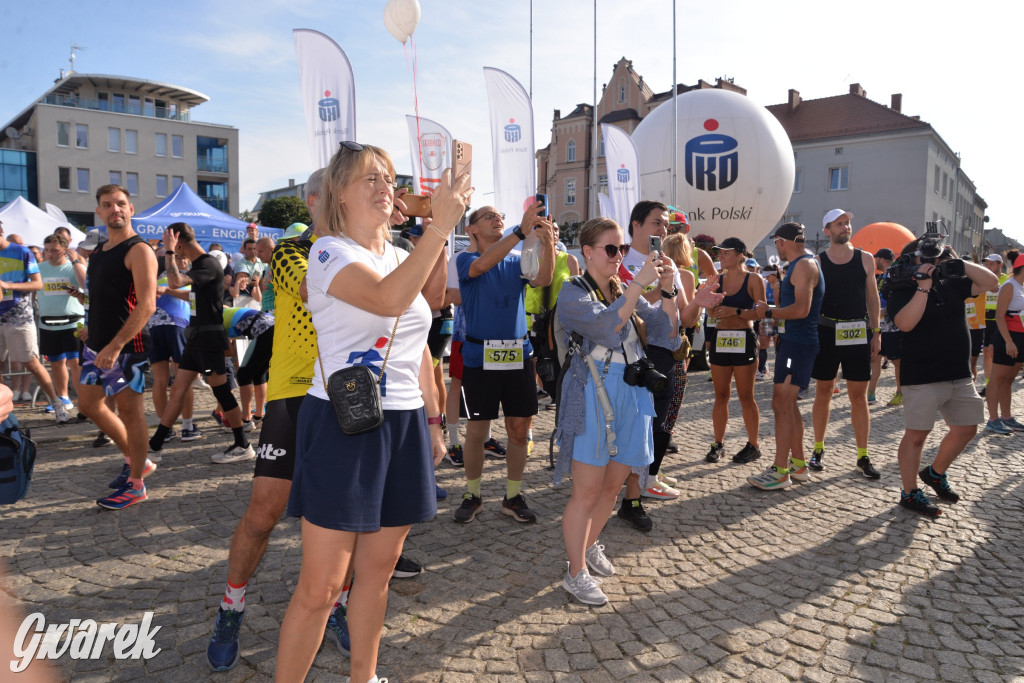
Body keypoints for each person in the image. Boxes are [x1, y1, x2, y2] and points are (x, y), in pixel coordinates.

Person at [274, 143, 470, 683]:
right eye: (370, 179)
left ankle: (365, 677)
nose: (385, 186)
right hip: (343, 423)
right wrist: (438, 228)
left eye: (389, 177)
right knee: (322, 585)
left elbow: (418, 350)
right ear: (339, 192)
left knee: (377, 574)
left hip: (402, 422)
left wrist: (434, 425)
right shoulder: (327, 252)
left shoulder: (400, 254)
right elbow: (386, 301)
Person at [204, 169, 328, 672]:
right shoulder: (295, 250)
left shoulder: (381, 251)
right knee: (263, 514)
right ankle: (230, 607)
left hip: (349, 399)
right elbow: (314, 291)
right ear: (320, 199)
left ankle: (336, 605)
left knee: (341, 520)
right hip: (296, 395)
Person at [553, 218, 678, 605]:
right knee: (587, 491)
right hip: (592, 392)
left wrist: (670, 290)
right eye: (611, 249)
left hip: (630, 394)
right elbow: (606, 328)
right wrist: (639, 283)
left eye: (621, 249)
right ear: (587, 251)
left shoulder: (622, 288)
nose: (618, 256)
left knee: (612, 486)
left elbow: (665, 332)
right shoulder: (572, 293)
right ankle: (575, 573)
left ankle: (588, 546)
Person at [453, 203, 555, 524]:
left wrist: (549, 244)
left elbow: (542, 279)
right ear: (472, 229)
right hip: (479, 356)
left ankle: (512, 496)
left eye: (501, 216)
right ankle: (473, 494)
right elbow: (483, 265)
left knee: (518, 429)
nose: (498, 219)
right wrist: (519, 232)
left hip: (518, 356)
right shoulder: (464, 258)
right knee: (477, 430)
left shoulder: (516, 259)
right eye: (489, 217)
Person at [885, 237, 996, 515]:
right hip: (922, 374)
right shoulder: (903, 285)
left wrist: (958, 261)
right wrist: (923, 288)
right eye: (929, 259)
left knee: (966, 428)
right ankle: (909, 493)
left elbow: (990, 282)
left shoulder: (952, 281)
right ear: (914, 261)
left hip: (959, 373)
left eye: (937, 259)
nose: (935, 265)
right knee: (917, 436)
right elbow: (905, 324)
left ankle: (935, 474)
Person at [78, 185, 158, 509]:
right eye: (107, 205)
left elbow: (147, 305)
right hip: (98, 346)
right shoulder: (98, 252)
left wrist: (115, 345)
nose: (115, 209)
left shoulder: (138, 250)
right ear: (99, 212)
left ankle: (136, 483)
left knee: (129, 411)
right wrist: (90, 327)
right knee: (88, 404)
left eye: (120, 204)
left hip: (127, 350)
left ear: (131, 208)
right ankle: (137, 460)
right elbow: (102, 298)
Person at [147, 223, 254, 463]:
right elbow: (191, 294)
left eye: (174, 247)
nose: (175, 253)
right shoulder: (200, 267)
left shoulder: (207, 263)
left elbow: (176, 281)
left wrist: (170, 253)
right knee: (178, 389)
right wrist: (166, 291)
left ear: (179, 244)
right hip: (196, 337)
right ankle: (155, 446)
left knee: (221, 391)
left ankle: (242, 444)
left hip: (208, 338)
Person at [616, 201, 687, 506]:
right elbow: (621, 303)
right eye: (657, 222)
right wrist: (655, 284)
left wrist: (673, 286)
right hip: (628, 352)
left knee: (659, 419)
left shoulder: (668, 263)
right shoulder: (618, 258)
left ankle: (648, 476)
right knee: (632, 421)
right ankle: (634, 482)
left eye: (666, 224)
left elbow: (680, 315)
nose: (663, 229)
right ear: (636, 224)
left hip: (664, 350)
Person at [748, 222, 824, 489]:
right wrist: (770, 308)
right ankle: (799, 464)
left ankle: (780, 471)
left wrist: (768, 312)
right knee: (788, 405)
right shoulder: (801, 264)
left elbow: (802, 309)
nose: (777, 247)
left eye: (777, 242)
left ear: (782, 241)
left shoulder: (804, 265)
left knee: (781, 405)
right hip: (794, 341)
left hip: (799, 343)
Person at [809, 209, 882, 479]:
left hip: (857, 331)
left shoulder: (865, 258)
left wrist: (876, 332)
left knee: (858, 397)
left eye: (848, 223)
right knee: (824, 392)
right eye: (839, 224)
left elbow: (873, 298)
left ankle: (863, 455)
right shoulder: (817, 261)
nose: (846, 227)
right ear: (827, 230)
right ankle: (818, 449)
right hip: (827, 331)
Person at [0, 221, 70, 421]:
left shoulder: (22, 252)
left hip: (19, 317)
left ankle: (57, 404)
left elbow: (38, 283)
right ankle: (5, 415)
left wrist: (7, 285)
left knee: (31, 363)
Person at [705, 236, 766, 465]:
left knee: (745, 396)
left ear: (741, 255)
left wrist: (734, 311)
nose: (721, 256)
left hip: (744, 339)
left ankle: (753, 445)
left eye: (726, 253)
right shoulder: (717, 279)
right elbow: (710, 313)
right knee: (721, 395)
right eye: (720, 253)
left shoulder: (753, 279)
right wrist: (712, 310)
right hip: (721, 338)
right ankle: (718, 443)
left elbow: (760, 313)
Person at [147, 252, 199, 442]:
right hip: (178, 325)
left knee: (160, 380)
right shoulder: (187, 279)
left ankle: (165, 428)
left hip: (154, 326)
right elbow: (195, 304)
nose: (184, 260)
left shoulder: (154, 280)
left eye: (185, 257)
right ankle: (187, 426)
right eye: (179, 258)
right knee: (182, 378)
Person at [36, 234, 86, 413]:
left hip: (73, 323)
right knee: (56, 363)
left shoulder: (72, 268)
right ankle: (64, 397)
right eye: (47, 250)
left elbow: (85, 284)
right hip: (48, 324)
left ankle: (84, 401)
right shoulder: (39, 268)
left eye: (55, 251)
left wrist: (75, 262)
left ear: (65, 250)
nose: (50, 254)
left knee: (75, 362)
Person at [984, 253, 1024, 434]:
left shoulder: (1022, 287)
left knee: (1009, 379)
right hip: (1007, 337)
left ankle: (1007, 417)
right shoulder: (1010, 285)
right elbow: (999, 316)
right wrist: (1008, 341)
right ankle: (993, 419)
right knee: (997, 379)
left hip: (1020, 337)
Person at [868, 248, 897, 404]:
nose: (875, 261)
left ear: (882, 259)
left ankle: (900, 392)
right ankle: (871, 392)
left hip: (893, 324)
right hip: (877, 323)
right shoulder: (878, 277)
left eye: (877, 258)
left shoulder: (896, 275)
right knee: (875, 358)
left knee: (897, 361)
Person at [981, 252, 1011, 396]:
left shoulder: (1007, 280)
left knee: (994, 351)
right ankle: (988, 384)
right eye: (987, 264)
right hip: (984, 318)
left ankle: (996, 382)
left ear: (1000, 265)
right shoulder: (983, 279)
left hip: (1000, 319)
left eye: (991, 264)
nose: (988, 266)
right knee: (986, 353)